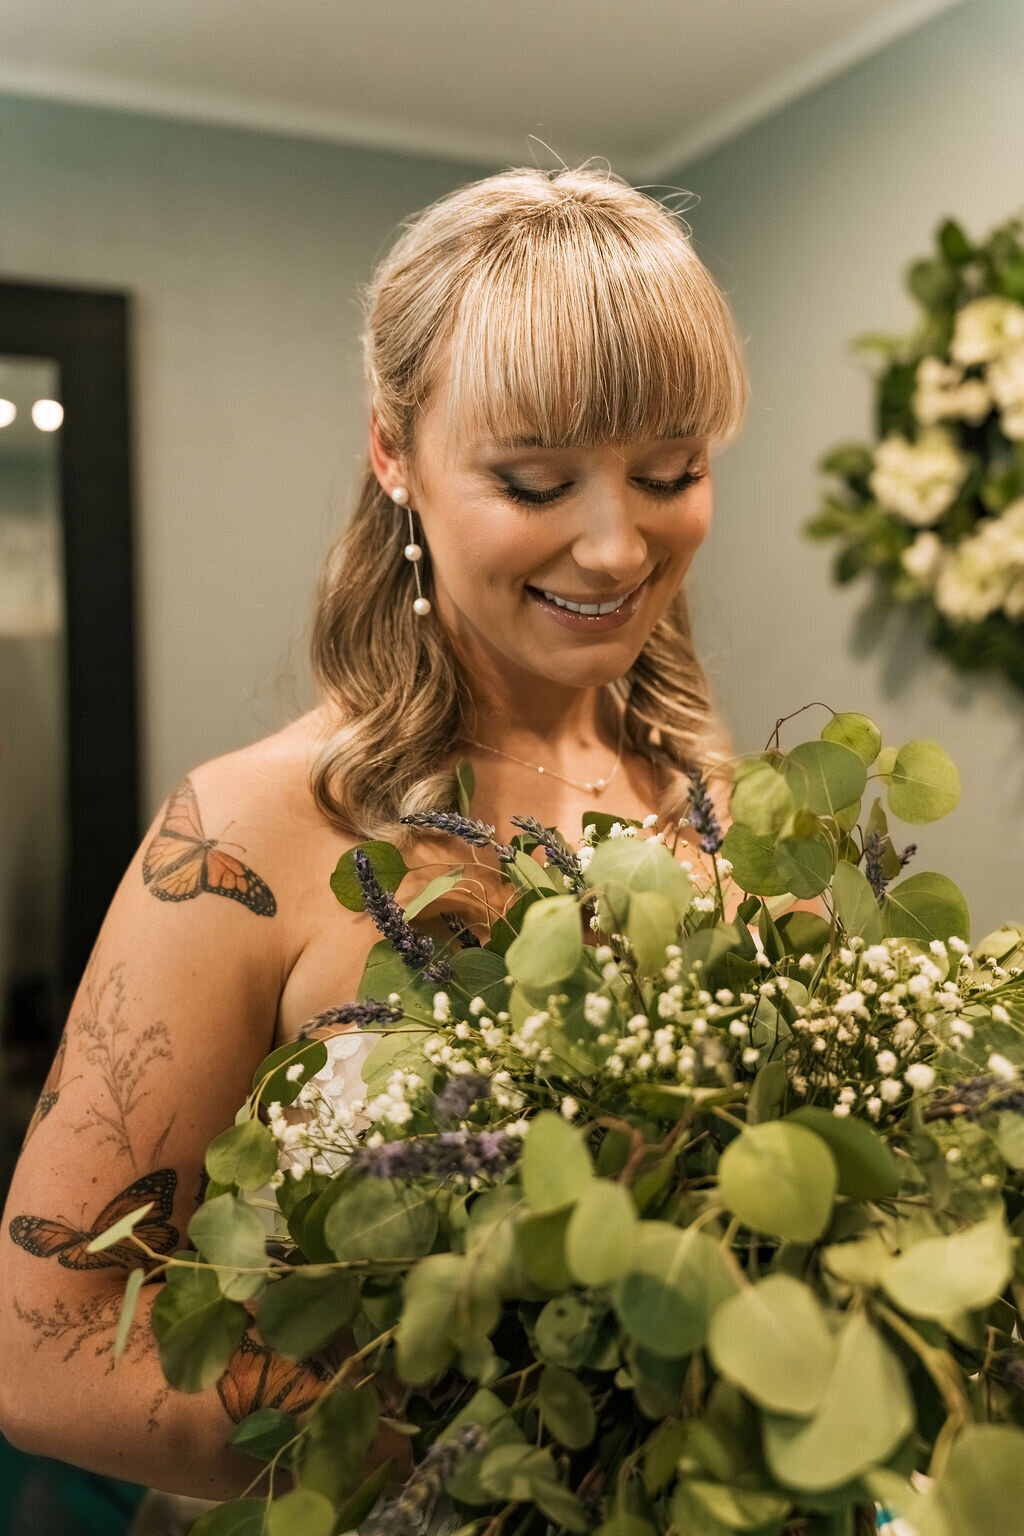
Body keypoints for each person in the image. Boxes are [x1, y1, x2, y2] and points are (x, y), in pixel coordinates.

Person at [0, 161, 820, 1509]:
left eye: (670, 471)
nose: (617, 546)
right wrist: (505, 1427)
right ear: (395, 453)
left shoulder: (730, 823)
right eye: (537, 481)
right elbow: (51, 1359)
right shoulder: (250, 830)